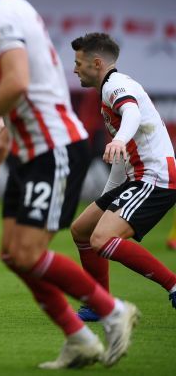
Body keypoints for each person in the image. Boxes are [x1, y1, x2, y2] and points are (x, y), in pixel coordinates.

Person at [0, 0, 139, 369]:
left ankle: (112, 310)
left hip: (54, 147)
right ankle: (78, 338)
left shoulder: (1, 16)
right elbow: (36, 84)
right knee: (11, 253)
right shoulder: (16, 11)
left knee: (26, 252)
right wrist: (6, 139)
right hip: (32, 147)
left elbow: (19, 81)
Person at [69, 32, 176, 321]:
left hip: (155, 178)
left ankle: (174, 285)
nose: (75, 68)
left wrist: (118, 141)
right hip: (137, 177)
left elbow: (131, 113)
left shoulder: (116, 86)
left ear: (97, 63)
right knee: (81, 230)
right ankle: (100, 304)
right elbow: (124, 153)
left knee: (102, 239)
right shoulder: (109, 89)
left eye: (79, 62)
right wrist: (107, 198)